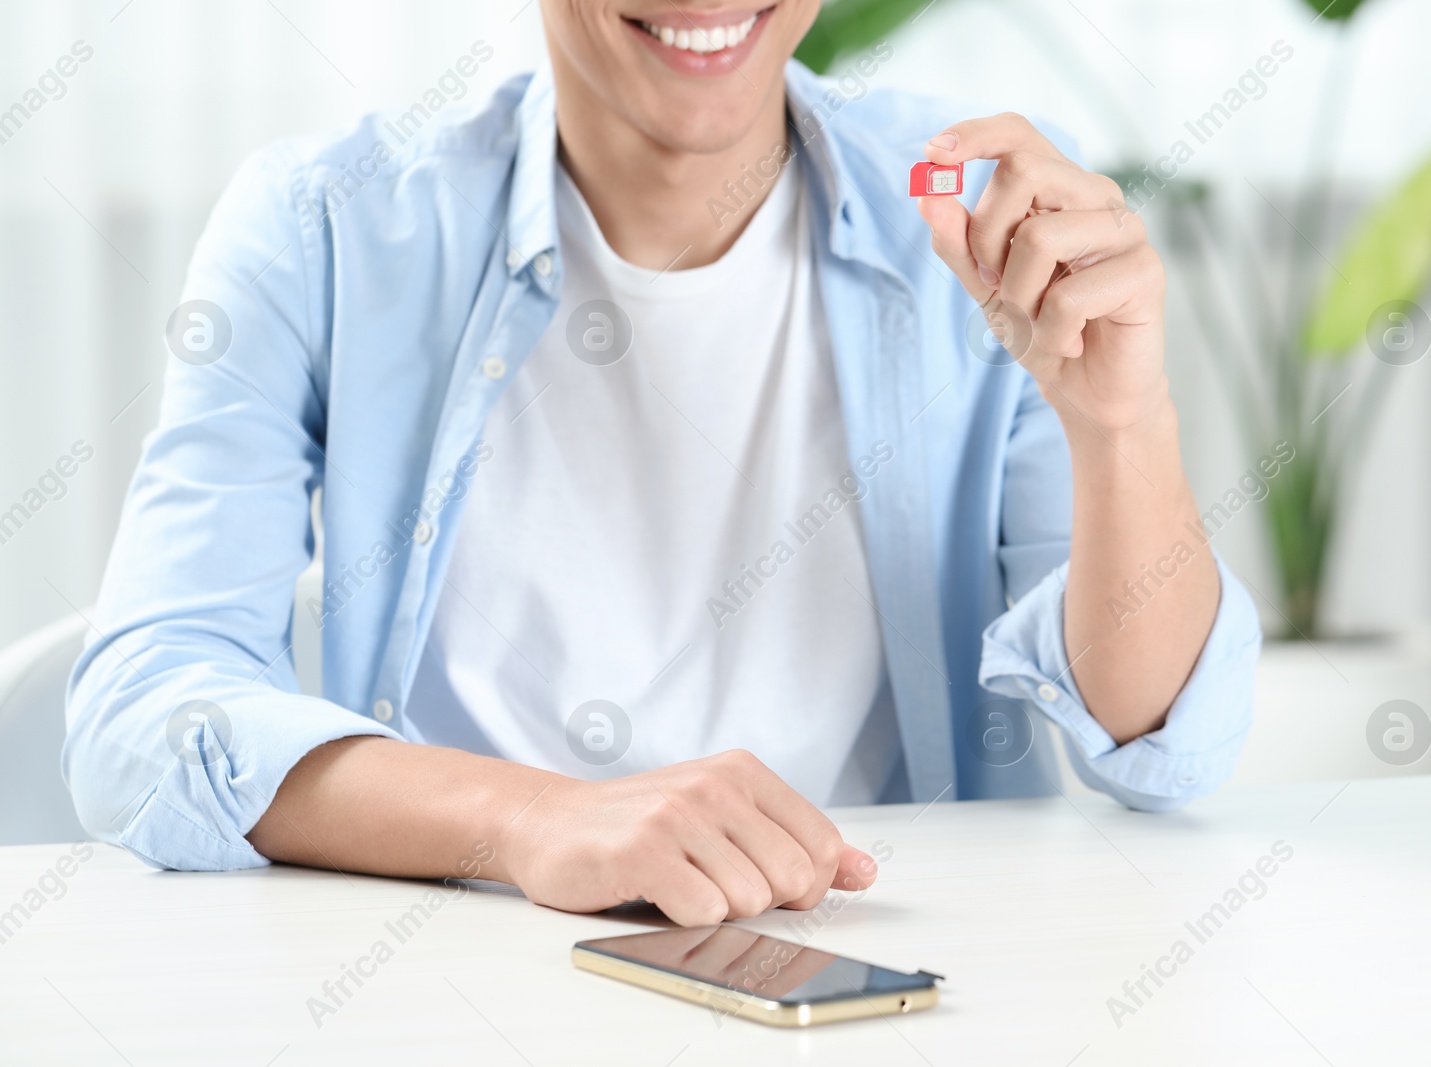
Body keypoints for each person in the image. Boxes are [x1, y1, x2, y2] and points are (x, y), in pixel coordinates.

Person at [64, 0, 1260, 927]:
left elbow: (1162, 745)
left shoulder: (981, 218)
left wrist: (1123, 425)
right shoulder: (326, 227)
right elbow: (144, 706)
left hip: (890, 973)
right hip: (461, 971)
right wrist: (536, 821)